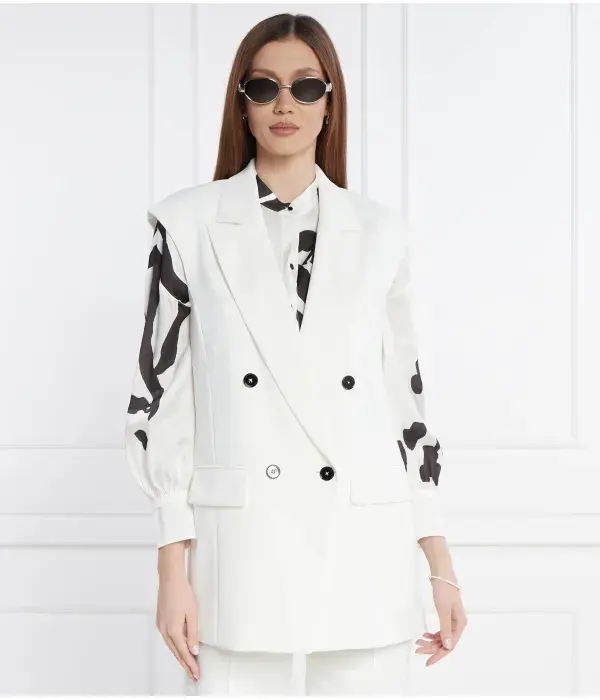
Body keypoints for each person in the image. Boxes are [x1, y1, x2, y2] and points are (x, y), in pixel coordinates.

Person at [124, 11, 467, 696]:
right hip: (241, 547)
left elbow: (405, 403)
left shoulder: (381, 232)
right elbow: (159, 399)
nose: (285, 104)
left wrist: (440, 562)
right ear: (242, 103)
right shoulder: (187, 223)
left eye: (306, 87)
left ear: (330, 102)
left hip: (363, 537)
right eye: (264, 87)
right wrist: (171, 568)